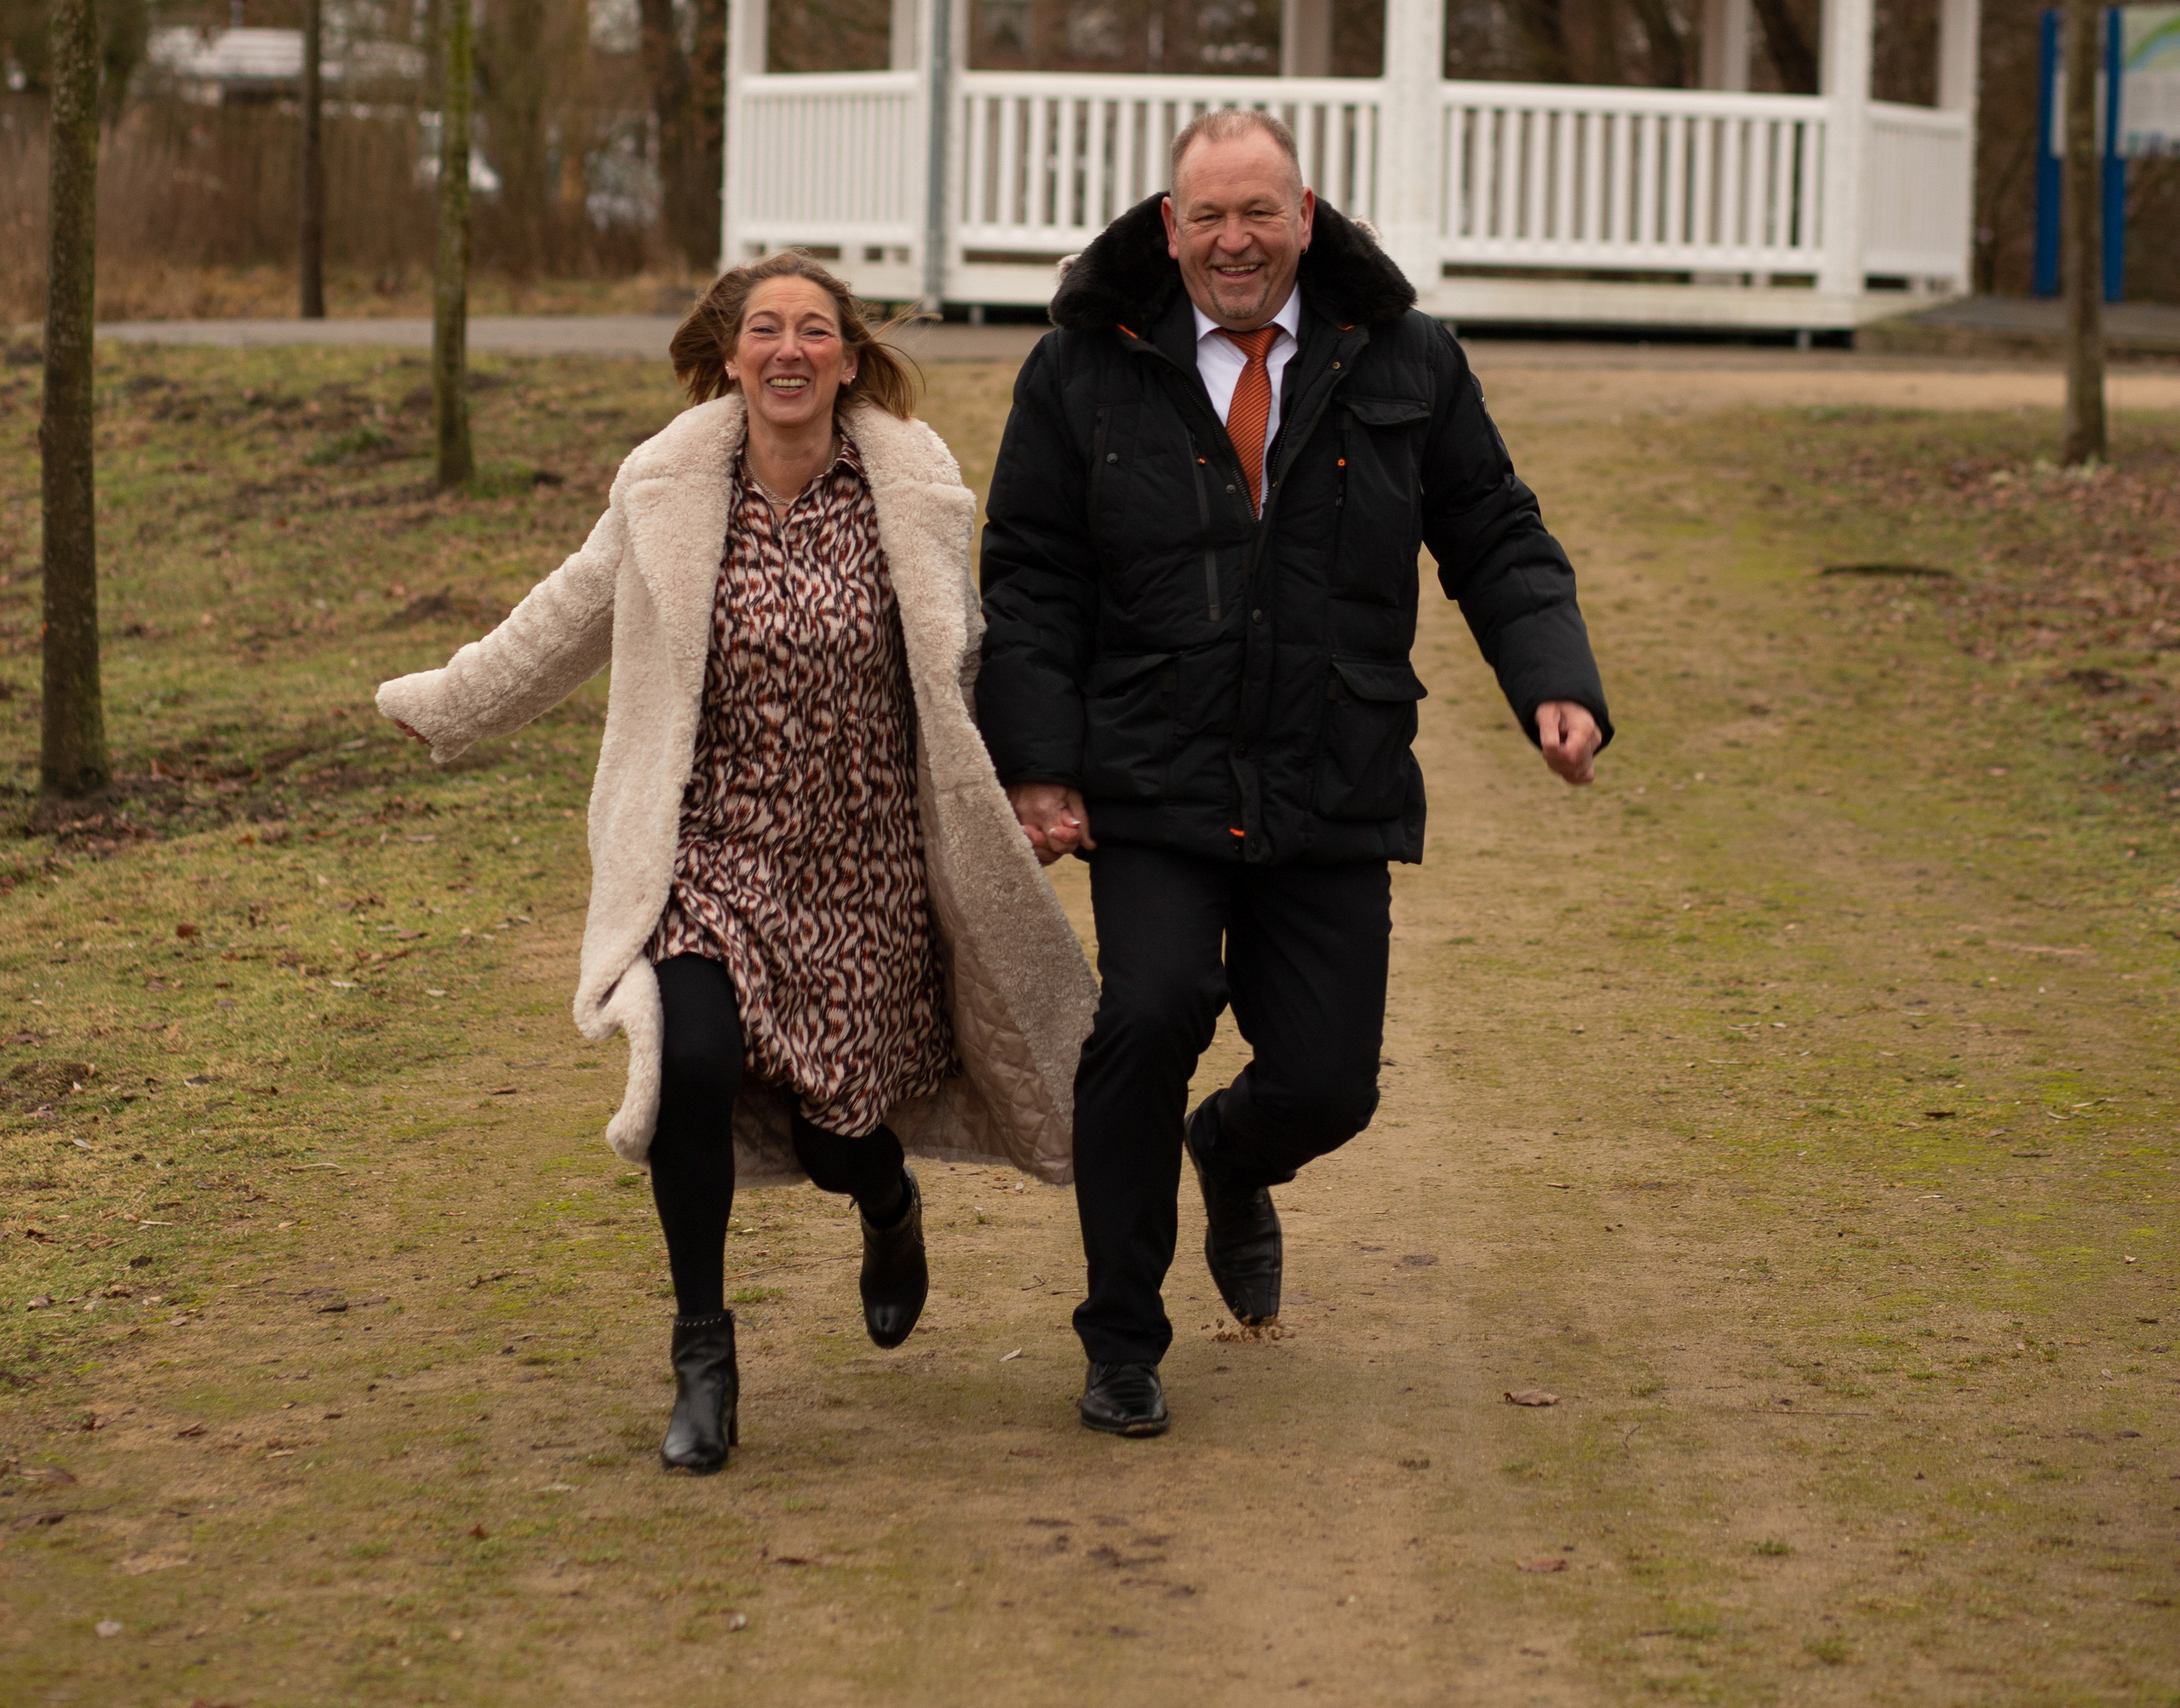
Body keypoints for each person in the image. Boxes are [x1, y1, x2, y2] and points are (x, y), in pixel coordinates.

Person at [377, 255, 1095, 1474]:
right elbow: (564, 618)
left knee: (840, 1133)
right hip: (709, 860)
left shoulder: (912, 494)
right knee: (690, 1066)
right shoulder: (666, 491)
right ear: (730, 355)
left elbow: (968, 662)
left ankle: (883, 1199)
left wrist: (1029, 785)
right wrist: (449, 704)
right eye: (765, 329)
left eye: (815, 331)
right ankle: (703, 1351)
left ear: (849, 360)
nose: (790, 351)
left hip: (863, 875)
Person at [977, 109, 1610, 1438]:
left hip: (1334, 763)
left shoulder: (1409, 361)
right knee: (1146, 1018)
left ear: (1306, 217)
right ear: (1170, 228)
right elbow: (1030, 574)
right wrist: (1038, 763)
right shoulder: (1083, 368)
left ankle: (1234, 1153)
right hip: (1153, 765)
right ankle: (1122, 1340)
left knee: (1329, 1081)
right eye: (1208, 216)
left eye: (1259, 212)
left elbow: (1494, 530)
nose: (1234, 240)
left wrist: (1553, 675)